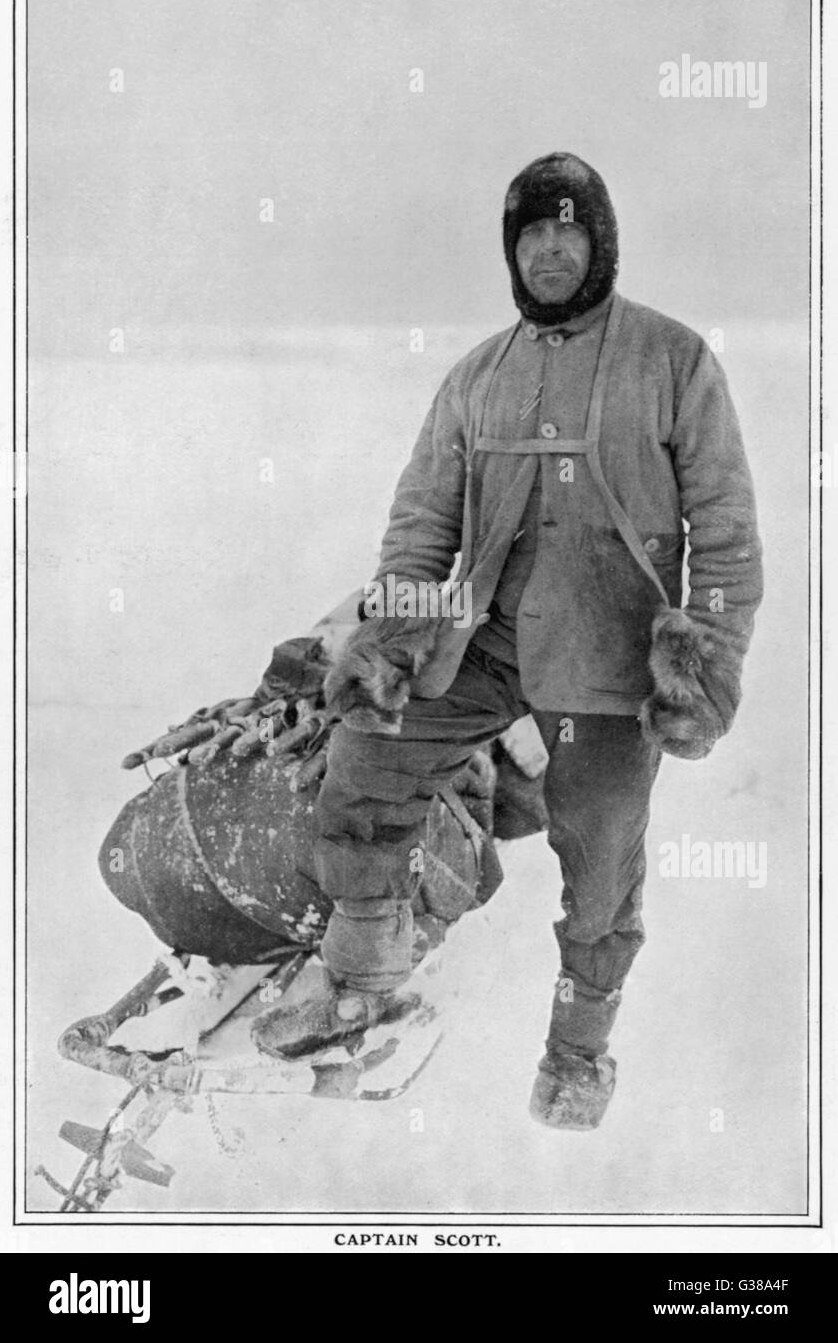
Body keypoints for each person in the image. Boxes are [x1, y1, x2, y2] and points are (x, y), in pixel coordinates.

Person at [257, 151, 764, 1129]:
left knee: (601, 871)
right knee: (364, 760)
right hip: (485, 644)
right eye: (529, 234)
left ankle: (575, 1057)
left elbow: (726, 532)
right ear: (510, 250)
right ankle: (362, 983)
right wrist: (390, 637)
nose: (546, 250)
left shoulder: (672, 359)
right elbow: (418, 527)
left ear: (597, 240)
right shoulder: (477, 377)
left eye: (564, 232)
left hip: (610, 665)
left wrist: (706, 654)